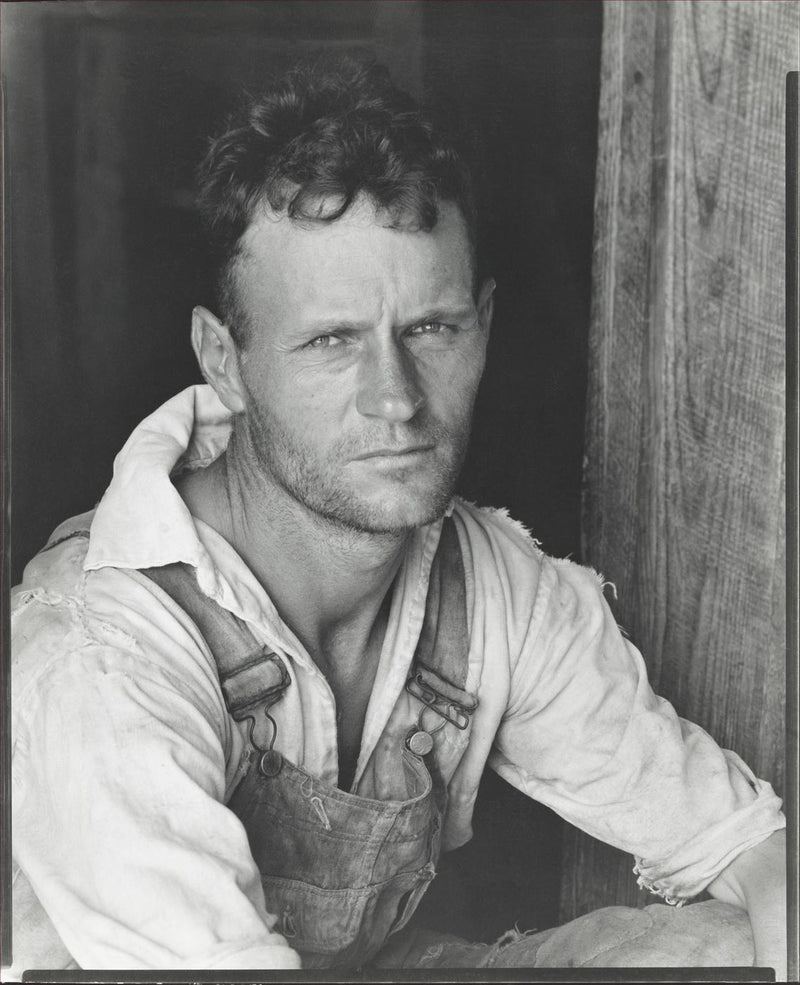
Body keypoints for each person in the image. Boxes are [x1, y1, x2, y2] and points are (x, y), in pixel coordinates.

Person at [8, 56, 786, 977]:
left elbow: (749, 849)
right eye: (332, 341)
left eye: (430, 329)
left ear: (483, 327)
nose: (397, 399)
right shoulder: (101, 653)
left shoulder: (490, 585)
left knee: (732, 951)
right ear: (223, 360)